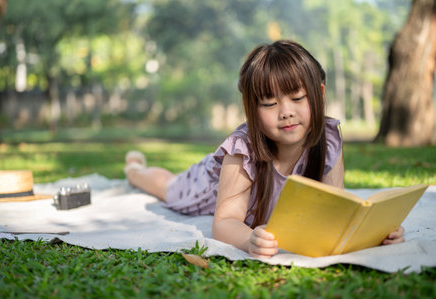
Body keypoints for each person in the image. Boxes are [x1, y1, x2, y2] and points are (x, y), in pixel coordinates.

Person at [124, 40, 405, 258]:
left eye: (297, 97)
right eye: (269, 103)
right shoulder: (242, 149)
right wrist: (248, 240)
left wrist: (376, 233)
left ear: (319, 94)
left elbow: (336, 206)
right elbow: (224, 222)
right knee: (169, 187)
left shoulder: (329, 138)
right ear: (252, 109)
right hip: (208, 186)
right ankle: (136, 169)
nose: (286, 112)